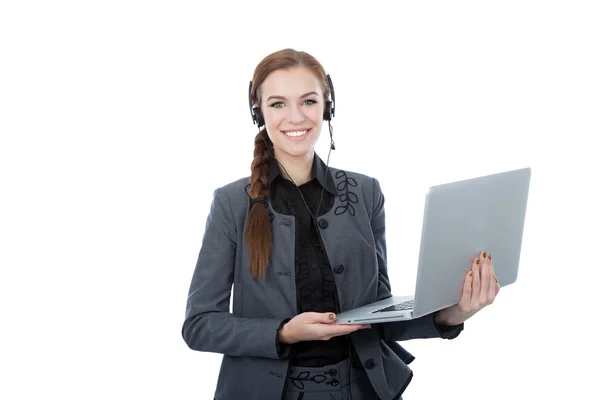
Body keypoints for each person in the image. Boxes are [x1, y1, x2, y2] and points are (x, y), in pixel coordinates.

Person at [181, 48, 500, 400]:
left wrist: (454, 312)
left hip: (362, 390)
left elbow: (379, 313)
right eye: (277, 104)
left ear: (327, 106)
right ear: (258, 113)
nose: (296, 116)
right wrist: (284, 332)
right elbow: (199, 325)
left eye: (308, 101)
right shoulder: (231, 203)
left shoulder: (365, 192)